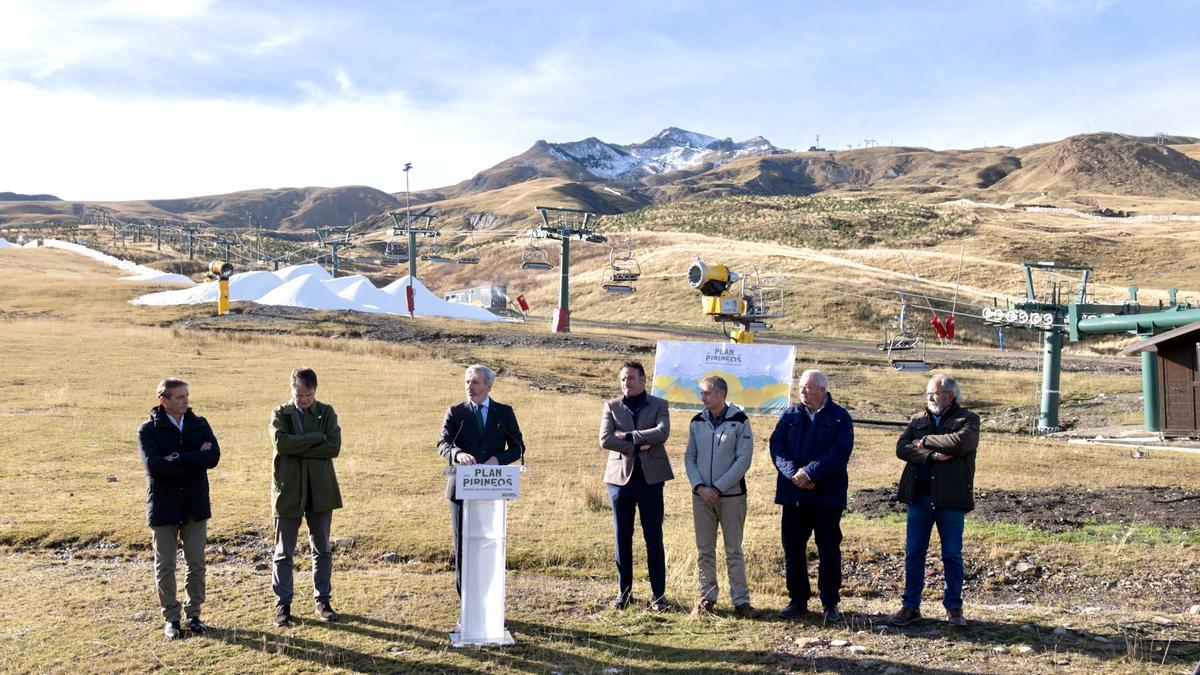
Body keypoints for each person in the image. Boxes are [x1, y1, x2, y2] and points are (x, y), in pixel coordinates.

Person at [890, 374, 980, 628]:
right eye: (928, 392)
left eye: (935, 393)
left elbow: (961, 442)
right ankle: (910, 607)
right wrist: (932, 457)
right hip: (919, 497)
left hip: (950, 499)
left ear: (949, 395)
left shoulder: (969, 420)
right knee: (914, 553)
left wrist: (926, 441)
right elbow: (902, 448)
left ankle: (954, 608)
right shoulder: (918, 419)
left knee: (952, 554)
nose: (930, 397)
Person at [137, 378, 221, 640]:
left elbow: (213, 457)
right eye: (180, 397)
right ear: (164, 400)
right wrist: (196, 459)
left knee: (196, 562)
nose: (186, 400)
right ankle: (171, 619)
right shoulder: (147, 430)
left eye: (187, 395)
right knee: (166, 565)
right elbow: (155, 468)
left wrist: (178, 457)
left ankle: (194, 614)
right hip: (164, 507)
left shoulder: (199, 423)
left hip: (195, 504)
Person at [768, 369, 853, 622]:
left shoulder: (840, 417)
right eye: (801, 386)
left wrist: (810, 473)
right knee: (793, 548)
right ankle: (798, 599)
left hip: (826, 496)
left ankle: (830, 602)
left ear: (822, 390)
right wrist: (794, 474)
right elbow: (777, 446)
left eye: (808, 387)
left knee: (828, 549)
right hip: (794, 495)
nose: (803, 391)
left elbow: (839, 452)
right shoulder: (789, 415)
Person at [436, 364, 525, 595]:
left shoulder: (504, 412)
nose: (470, 387)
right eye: (467, 382)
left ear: (488, 385)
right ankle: (465, 600)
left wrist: (499, 458)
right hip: (461, 489)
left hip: (492, 488)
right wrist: (458, 454)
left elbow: (518, 448)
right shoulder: (456, 412)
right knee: (463, 546)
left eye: (475, 382)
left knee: (489, 544)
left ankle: (489, 598)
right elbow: (443, 444)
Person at [269, 367, 342, 627]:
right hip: (288, 491)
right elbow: (282, 444)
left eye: (308, 395)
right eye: (299, 395)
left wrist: (299, 443)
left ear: (315, 390)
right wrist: (314, 439)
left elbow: (333, 447)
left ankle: (323, 601)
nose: (304, 400)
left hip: (320, 492)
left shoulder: (327, 412)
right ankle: (283, 605)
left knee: (321, 549)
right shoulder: (280, 413)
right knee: (283, 552)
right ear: (292, 389)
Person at [599, 361, 673, 611]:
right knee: (622, 537)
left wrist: (628, 436)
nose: (626, 383)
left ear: (643, 379)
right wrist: (640, 443)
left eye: (630, 378)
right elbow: (605, 439)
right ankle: (624, 593)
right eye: (622, 379)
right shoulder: (611, 405)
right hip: (620, 481)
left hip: (651, 480)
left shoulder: (660, 404)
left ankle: (658, 596)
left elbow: (662, 432)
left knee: (654, 537)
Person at [684, 375, 757, 618]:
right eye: (701, 392)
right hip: (702, 498)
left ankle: (741, 601)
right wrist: (700, 488)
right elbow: (689, 457)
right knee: (704, 550)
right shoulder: (696, 422)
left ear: (721, 394)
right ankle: (707, 598)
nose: (701, 397)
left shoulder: (740, 421)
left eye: (706, 392)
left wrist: (718, 488)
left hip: (732, 497)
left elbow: (743, 460)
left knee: (733, 550)